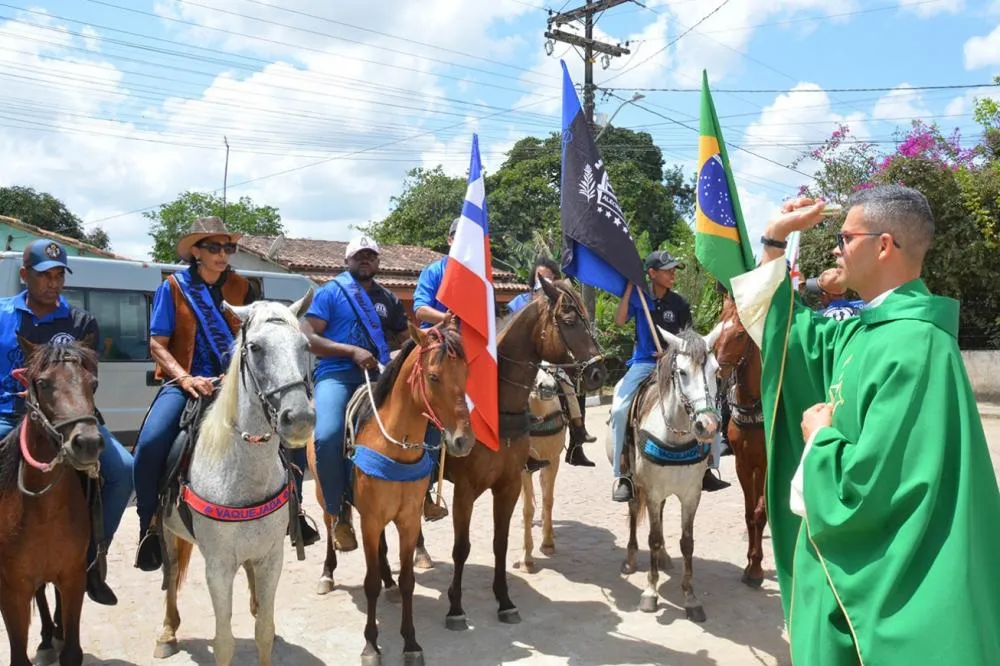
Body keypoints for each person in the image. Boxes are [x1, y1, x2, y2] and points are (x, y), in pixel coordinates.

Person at [730, 185, 1000, 664]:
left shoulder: (914, 346)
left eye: (844, 235)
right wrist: (774, 239)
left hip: (880, 589)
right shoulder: (866, 329)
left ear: (883, 245)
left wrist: (819, 440)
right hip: (837, 571)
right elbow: (784, 330)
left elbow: (867, 488)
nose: (835, 247)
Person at [133, 217, 320, 571]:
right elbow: (157, 345)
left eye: (228, 248)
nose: (223, 255)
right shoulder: (172, 288)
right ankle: (150, 525)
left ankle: (295, 512)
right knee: (150, 444)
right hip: (186, 384)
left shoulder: (241, 287)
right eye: (215, 248)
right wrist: (185, 378)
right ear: (196, 252)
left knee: (288, 436)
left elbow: (261, 336)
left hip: (238, 384)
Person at [0, 239, 134, 605]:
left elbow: (90, 378)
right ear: (25, 275)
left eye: (60, 275)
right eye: (45, 276)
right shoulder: (3, 314)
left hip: (67, 420)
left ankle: (91, 555)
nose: (54, 283)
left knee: (124, 469)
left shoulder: (80, 322)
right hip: (8, 414)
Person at [301, 234, 430, 551]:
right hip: (336, 375)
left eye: (370, 255)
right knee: (328, 435)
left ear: (378, 262)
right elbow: (306, 336)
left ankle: (424, 497)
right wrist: (350, 351)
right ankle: (338, 512)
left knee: (428, 418)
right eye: (359, 255)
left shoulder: (387, 298)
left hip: (378, 376)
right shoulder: (330, 293)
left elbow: (404, 338)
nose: (365, 260)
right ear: (347, 261)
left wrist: (418, 345)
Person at [413, 218, 549, 473]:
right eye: (458, 237)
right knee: (430, 404)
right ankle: (426, 470)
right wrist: (443, 318)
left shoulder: (480, 278)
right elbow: (419, 309)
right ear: (450, 240)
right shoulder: (434, 271)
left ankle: (521, 448)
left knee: (510, 383)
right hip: (439, 348)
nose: (462, 243)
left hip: (471, 350)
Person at [609, 250, 730, 502]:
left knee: (708, 405)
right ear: (651, 274)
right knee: (620, 409)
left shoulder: (680, 304)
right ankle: (623, 472)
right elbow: (619, 321)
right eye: (667, 270)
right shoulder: (638, 299)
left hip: (676, 364)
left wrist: (670, 353)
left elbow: (689, 339)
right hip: (643, 364)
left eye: (674, 269)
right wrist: (630, 288)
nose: (673, 274)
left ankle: (708, 465)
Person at [508, 256, 597, 467]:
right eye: (541, 277)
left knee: (569, 385)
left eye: (548, 277)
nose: (544, 281)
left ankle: (577, 437)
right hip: (524, 361)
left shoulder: (558, 304)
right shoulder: (519, 301)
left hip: (548, 359)